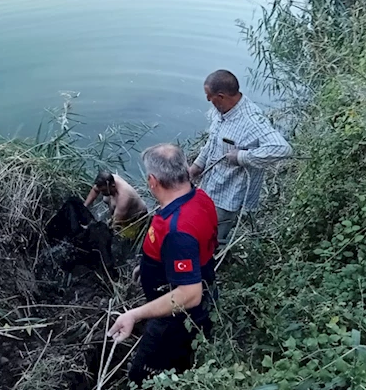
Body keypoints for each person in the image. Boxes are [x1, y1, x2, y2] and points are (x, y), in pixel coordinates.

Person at [107, 144, 217, 385]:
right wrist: (148, 266)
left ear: (152, 181)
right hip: (190, 297)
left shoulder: (179, 230)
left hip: (177, 318)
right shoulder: (199, 197)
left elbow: (190, 294)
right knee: (180, 365)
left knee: (141, 377)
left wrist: (134, 315)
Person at [189, 70, 292, 245]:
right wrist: (198, 165)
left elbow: (283, 149)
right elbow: (212, 141)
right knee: (201, 226)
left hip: (229, 193)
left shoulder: (251, 121)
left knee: (215, 237)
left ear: (221, 96)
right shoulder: (221, 112)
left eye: (209, 97)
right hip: (210, 184)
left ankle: (214, 261)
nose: (208, 101)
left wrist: (242, 156)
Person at [84, 170, 147, 239]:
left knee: (124, 238)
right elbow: (95, 190)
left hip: (135, 220)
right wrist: (85, 206)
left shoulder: (124, 196)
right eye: (101, 191)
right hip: (117, 212)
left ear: (113, 186)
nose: (101, 193)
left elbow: (116, 222)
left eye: (104, 191)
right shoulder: (107, 180)